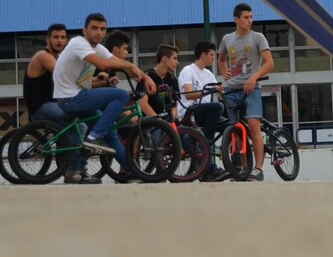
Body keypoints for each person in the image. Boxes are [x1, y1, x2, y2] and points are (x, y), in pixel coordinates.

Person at [53, 13, 156, 177]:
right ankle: (93, 138)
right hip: (70, 98)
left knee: (110, 133)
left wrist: (145, 76)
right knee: (120, 95)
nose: (99, 33)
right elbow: (102, 63)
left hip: (78, 95)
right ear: (84, 30)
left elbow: (114, 60)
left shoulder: (97, 47)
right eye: (94, 28)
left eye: (103, 29)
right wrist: (131, 67)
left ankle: (132, 170)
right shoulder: (78, 43)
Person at [23, 23, 99, 184]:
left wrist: (101, 81)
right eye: (56, 37)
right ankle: (75, 170)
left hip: (56, 105)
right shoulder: (42, 56)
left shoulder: (59, 58)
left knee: (88, 121)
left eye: (63, 37)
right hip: (41, 107)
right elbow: (65, 75)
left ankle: (73, 162)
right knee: (79, 127)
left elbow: (78, 81)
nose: (59, 41)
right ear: (47, 39)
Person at [218, 3, 274, 182]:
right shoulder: (227, 39)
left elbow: (269, 63)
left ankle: (258, 169)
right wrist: (224, 71)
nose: (250, 20)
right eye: (246, 17)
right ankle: (244, 168)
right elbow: (221, 59)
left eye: (251, 17)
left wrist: (254, 77)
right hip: (231, 89)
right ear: (236, 19)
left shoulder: (258, 37)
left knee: (252, 124)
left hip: (252, 89)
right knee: (235, 130)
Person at [179, 41, 229, 182]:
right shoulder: (187, 71)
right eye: (212, 55)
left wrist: (224, 91)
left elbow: (219, 92)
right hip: (191, 111)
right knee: (218, 107)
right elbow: (188, 94)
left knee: (230, 124)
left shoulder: (208, 74)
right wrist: (209, 90)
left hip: (205, 112)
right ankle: (205, 142)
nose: (214, 58)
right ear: (203, 55)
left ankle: (234, 166)